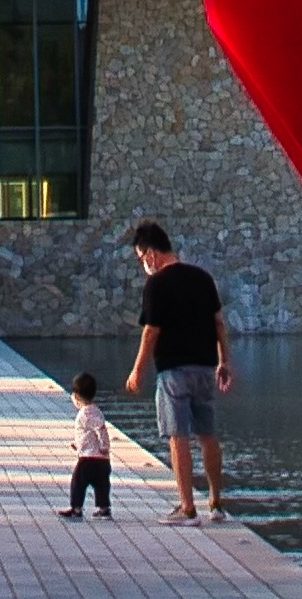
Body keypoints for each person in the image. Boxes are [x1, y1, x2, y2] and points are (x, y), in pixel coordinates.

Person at [119, 220, 234, 521]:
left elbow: (151, 332)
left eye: (142, 259)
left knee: (177, 436)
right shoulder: (203, 278)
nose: (144, 265)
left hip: (173, 371)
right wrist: (225, 361)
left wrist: (137, 371)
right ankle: (217, 503)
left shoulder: (156, 284)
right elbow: (219, 322)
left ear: (152, 254)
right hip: (205, 368)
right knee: (207, 434)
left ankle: (187, 507)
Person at [60, 371, 117, 519]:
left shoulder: (85, 414)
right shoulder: (96, 410)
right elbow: (88, 434)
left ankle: (76, 508)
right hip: (102, 460)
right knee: (101, 484)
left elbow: (100, 429)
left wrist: (105, 445)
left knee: (78, 482)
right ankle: (104, 508)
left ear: (77, 397)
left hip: (89, 459)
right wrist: (78, 445)